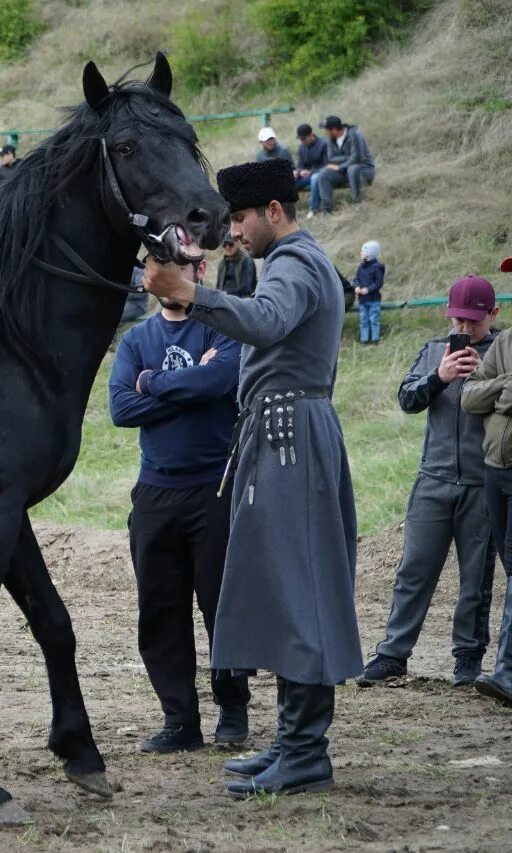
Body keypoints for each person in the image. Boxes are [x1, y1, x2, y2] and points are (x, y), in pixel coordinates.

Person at [142, 157, 361, 798]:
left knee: (299, 594)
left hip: (290, 436)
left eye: (239, 218)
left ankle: (305, 754)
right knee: (286, 590)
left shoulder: (294, 263)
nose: (233, 232)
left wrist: (187, 294)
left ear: (273, 211)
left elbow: (263, 322)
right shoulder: (294, 263)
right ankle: (295, 743)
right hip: (280, 434)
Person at [109, 257, 250, 754]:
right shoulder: (135, 340)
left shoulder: (225, 328)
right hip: (154, 492)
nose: (173, 275)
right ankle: (179, 720)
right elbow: (121, 409)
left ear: (202, 268)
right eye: (162, 266)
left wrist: (151, 384)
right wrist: (190, 385)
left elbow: (221, 382)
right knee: (160, 610)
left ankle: (233, 709)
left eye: (185, 266)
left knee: (222, 606)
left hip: (215, 487)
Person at [358, 276, 499, 688]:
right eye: (457, 319)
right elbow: (407, 400)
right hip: (433, 479)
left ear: (493, 314)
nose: (464, 329)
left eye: (473, 321)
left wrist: (482, 381)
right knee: (413, 572)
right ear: (447, 313)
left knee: (476, 579)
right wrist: (439, 376)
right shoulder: (434, 351)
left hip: (481, 482)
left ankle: (468, 660)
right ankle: (392, 655)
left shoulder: (503, 353)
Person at [463, 262, 512, 708]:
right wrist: (507, 387)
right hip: (496, 468)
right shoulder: (508, 342)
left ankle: (506, 670)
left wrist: (496, 392)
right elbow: (469, 397)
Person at [315, 115, 376, 213]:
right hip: (344, 171)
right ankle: (327, 210)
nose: (325, 133)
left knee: (353, 168)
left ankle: (358, 204)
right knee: (323, 173)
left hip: (363, 170)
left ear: (334, 130)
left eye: (326, 130)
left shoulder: (355, 135)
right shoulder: (330, 139)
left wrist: (340, 166)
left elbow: (357, 158)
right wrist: (349, 157)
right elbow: (331, 158)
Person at [293, 124, 328, 219]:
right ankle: (287, 210)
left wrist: (311, 172)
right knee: (290, 180)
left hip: (320, 174)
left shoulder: (323, 144)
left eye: (304, 138)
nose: (302, 141)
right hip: (305, 175)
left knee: (314, 178)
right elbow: (300, 165)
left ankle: (313, 209)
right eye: (300, 139)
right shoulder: (302, 148)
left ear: (311, 135)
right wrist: (297, 172)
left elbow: (327, 165)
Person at [354, 241, 386, 344]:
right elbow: (356, 279)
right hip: (362, 300)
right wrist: (356, 287)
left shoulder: (377, 267)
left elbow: (378, 283)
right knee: (363, 320)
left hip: (373, 299)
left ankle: (375, 339)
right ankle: (364, 339)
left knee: (373, 319)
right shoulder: (361, 267)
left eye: (363, 251)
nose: (361, 253)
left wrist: (368, 289)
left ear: (370, 253)